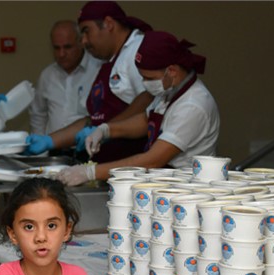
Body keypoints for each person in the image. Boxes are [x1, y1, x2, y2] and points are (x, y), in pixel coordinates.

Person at [57, 30, 219, 186]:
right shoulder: (170, 90)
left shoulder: (192, 105)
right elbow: (146, 120)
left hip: (185, 189)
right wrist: (106, 129)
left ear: (172, 71)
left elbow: (153, 160)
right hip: (164, 185)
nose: (144, 83)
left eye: (149, 78)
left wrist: (91, 172)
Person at [24, 1, 153, 163]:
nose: (83, 41)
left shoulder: (136, 50)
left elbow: (149, 99)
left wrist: (104, 130)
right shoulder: (110, 62)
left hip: (132, 165)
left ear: (109, 24)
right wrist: (50, 140)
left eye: (86, 31)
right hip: (107, 163)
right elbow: (93, 119)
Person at [29, 20, 103, 135]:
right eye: (56, 48)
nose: (61, 54)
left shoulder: (99, 70)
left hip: (89, 148)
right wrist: (40, 148)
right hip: (53, 148)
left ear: (81, 42)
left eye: (67, 47)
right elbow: (38, 114)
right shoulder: (47, 75)